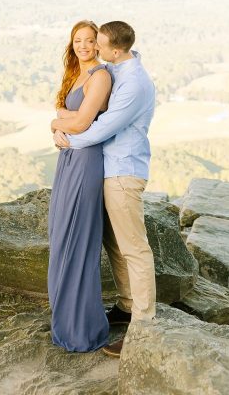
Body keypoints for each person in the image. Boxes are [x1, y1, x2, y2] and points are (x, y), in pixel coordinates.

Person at [53, 20, 156, 359]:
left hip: (123, 173)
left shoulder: (133, 84)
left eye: (97, 43)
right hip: (107, 171)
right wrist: (63, 125)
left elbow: (99, 127)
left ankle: (142, 328)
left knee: (134, 250)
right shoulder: (119, 69)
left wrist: (62, 134)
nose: (92, 48)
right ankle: (127, 306)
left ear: (114, 49)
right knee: (113, 245)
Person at [47, 19, 112, 352]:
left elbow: (83, 121)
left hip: (87, 160)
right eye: (78, 41)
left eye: (90, 41)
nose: (84, 46)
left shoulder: (100, 76)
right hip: (69, 157)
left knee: (78, 238)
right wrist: (61, 123)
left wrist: (56, 123)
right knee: (61, 234)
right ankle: (65, 319)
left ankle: (83, 328)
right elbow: (66, 111)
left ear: (99, 44)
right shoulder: (75, 72)